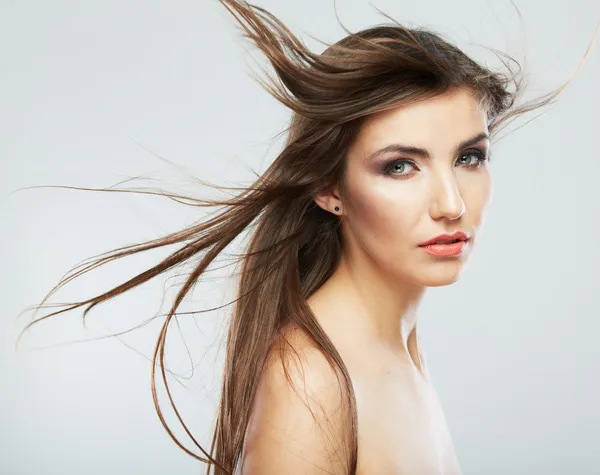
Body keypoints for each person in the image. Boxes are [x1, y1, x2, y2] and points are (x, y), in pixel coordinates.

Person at [15, 1, 597, 474]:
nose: (452, 204)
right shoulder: (314, 381)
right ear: (329, 187)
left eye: (470, 157)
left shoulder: (395, 343)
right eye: (400, 165)